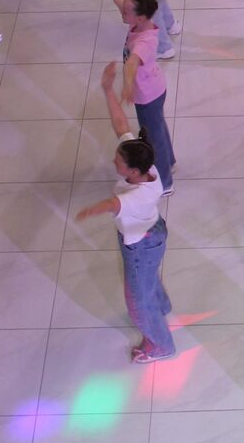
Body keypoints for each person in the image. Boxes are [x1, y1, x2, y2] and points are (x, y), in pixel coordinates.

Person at [75, 62, 176, 364]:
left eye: (118, 162)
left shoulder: (137, 196)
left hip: (141, 244)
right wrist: (108, 90)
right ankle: (162, 306)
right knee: (148, 281)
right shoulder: (144, 164)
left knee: (137, 303)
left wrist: (89, 211)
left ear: (132, 171)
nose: (113, 162)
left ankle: (160, 345)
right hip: (152, 233)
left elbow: (112, 205)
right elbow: (121, 124)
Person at [100, 0, 177, 191]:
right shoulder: (138, 22)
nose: (122, 12)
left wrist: (126, 86)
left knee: (153, 138)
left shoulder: (145, 41)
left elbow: (132, 63)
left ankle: (165, 183)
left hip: (148, 96)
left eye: (126, 12)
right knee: (158, 128)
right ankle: (170, 163)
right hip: (154, 88)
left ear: (140, 17)